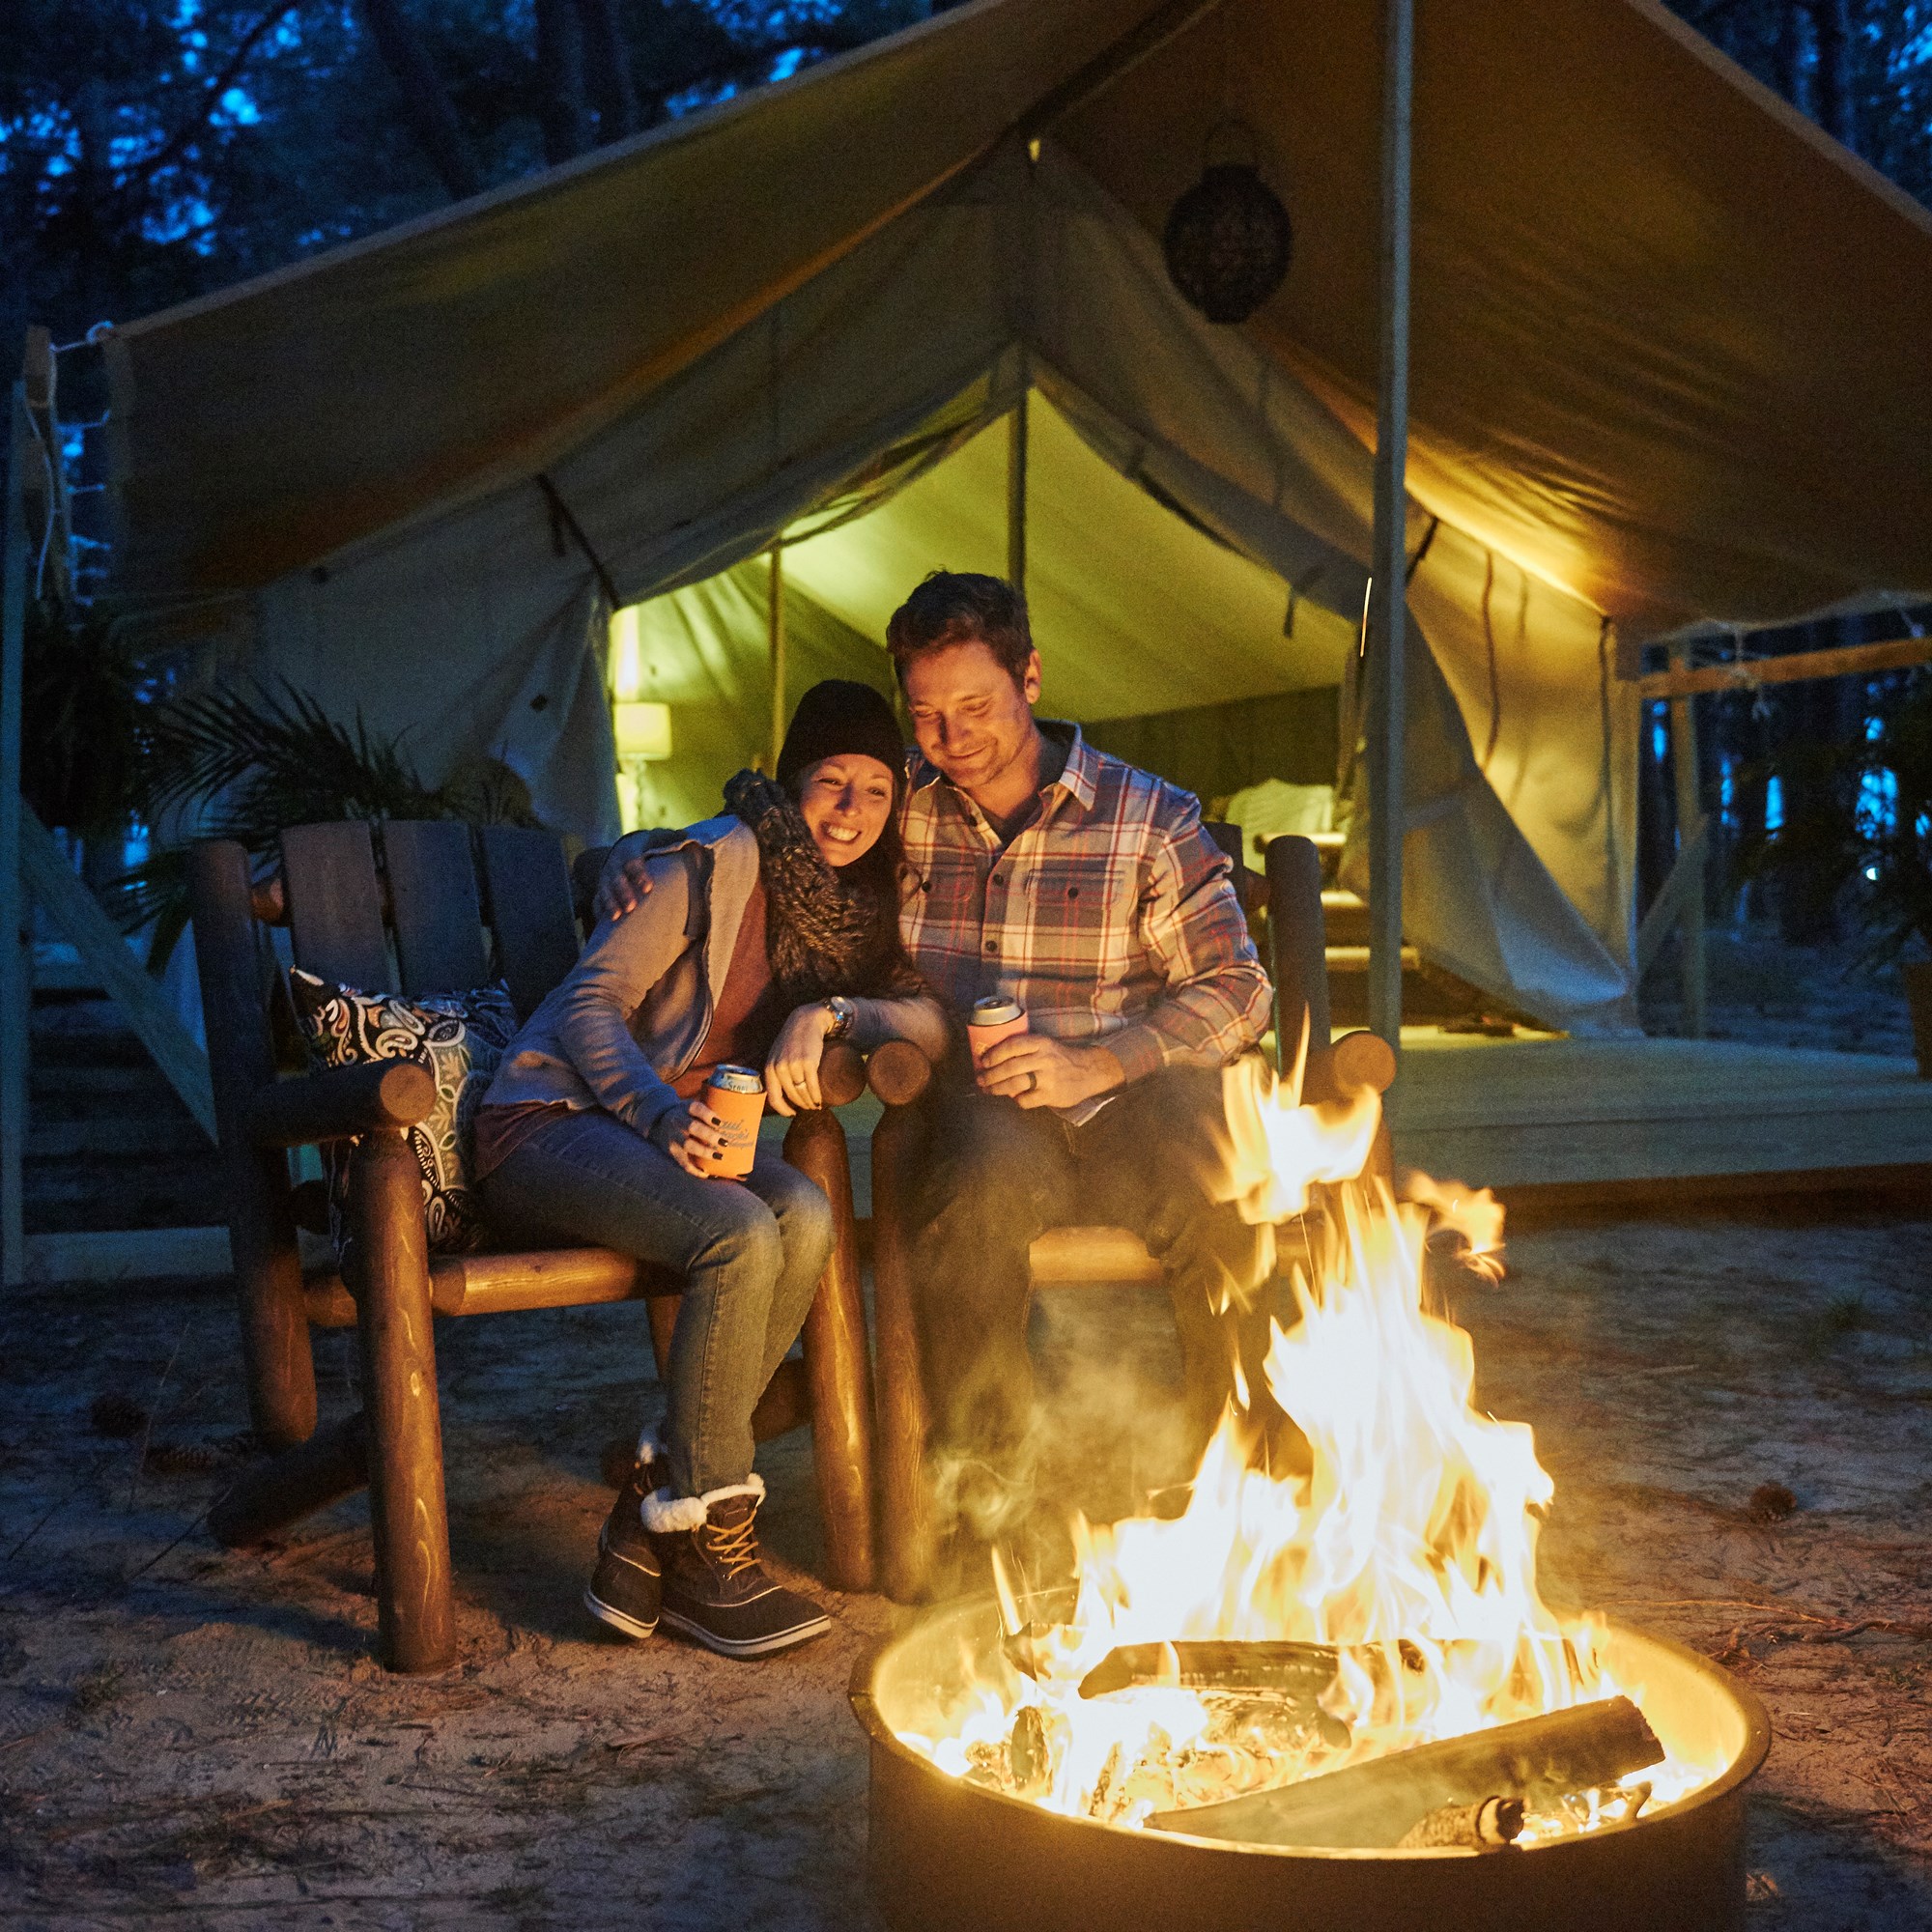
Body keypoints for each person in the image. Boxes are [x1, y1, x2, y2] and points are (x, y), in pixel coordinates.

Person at [601, 577, 1274, 1549]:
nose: (952, 737)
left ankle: (1244, 1483)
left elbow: (1237, 990)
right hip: (984, 1106)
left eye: (976, 707)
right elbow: (772, 831)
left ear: (1030, 677)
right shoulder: (901, 800)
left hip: (1136, 1093)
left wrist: (1103, 1061)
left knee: (1228, 1199)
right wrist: (631, 852)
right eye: (927, 713)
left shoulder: (1142, 814)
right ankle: (1006, 1509)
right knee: (966, 1201)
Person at [479, 679, 946, 1657]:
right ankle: (710, 1551)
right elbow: (585, 1004)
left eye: (872, 787)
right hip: (549, 1117)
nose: (849, 810)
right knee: (735, 1233)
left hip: (679, 1136)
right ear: (791, 781)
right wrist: (655, 1112)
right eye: (828, 782)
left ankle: (651, 1498)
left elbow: (927, 1019)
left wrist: (833, 1013)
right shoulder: (705, 863)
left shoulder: (856, 913)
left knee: (805, 1214)